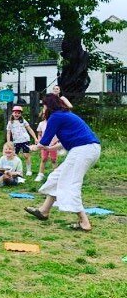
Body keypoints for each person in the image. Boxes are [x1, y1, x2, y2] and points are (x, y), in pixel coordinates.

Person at [25, 94, 101, 232]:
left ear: (48, 105)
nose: (43, 108)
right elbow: (63, 142)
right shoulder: (64, 114)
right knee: (57, 176)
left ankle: (84, 222)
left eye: (44, 105)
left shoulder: (56, 117)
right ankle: (44, 211)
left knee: (70, 183)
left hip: (83, 150)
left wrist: (34, 147)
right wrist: (49, 148)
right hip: (86, 149)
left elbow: (44, 141)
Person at [6, 105, 38, 176]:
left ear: (21, 114)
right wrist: (8, 142)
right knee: (14, 156)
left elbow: (29, 129)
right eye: (15, 112)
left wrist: (35, 138)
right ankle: (16, 170)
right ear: (12, 113)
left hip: (25, 140)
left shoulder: (23, 121)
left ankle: (29, 170)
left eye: (18, 113)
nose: (17, 114)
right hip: (16, 142)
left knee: (26, 155)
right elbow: (8, 133)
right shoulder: (10, 122)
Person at [35, 116, 60, 182]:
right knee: (44, 159)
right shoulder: (41, 124)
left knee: (53, 159)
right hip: (44, 145)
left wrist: (56, 141)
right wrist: (40, 142)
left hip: (53, 145)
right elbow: (39, 134)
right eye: (44, 114)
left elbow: (58, 134)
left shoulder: (55, 123)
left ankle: (55, 176)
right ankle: (40, 175)